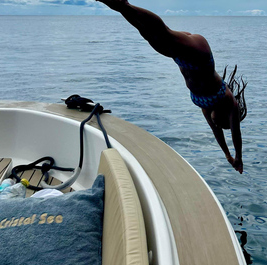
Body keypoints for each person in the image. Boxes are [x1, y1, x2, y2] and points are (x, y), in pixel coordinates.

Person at [96, 0, 247, 174]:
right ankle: (123, 4)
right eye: (219, 123)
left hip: (185, 61)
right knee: (162, 34)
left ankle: (119, 5)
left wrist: (227, 156)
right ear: (222, 117)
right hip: (199, 57)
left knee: (148, 35)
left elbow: (216, 133)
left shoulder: (206, 108)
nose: (216, 125)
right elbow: (236, 133)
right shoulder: (229, 103)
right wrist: (239, 159)